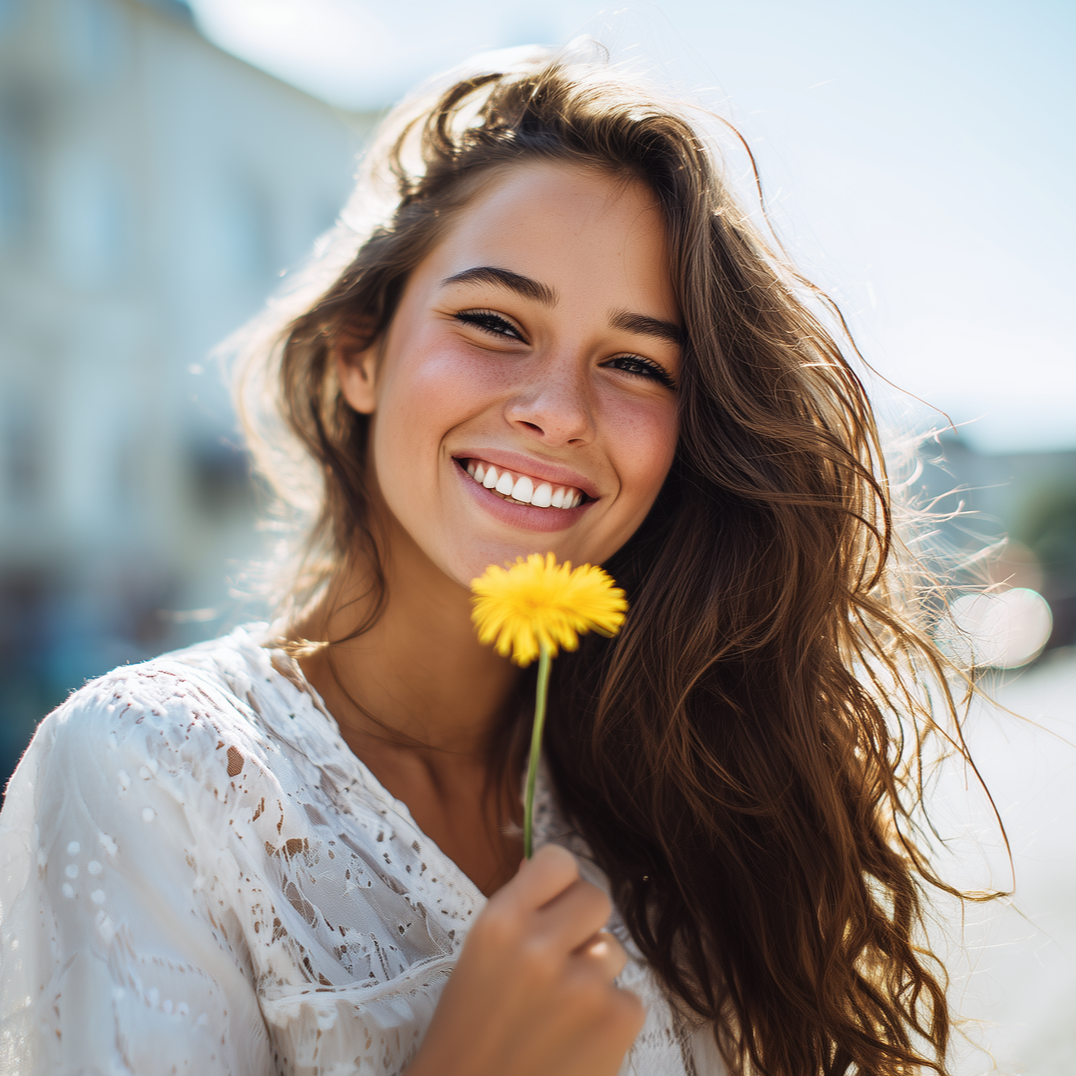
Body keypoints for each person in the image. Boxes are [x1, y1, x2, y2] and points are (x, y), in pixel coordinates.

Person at [0, 45, 972, 1076]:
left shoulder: (689, 775)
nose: (557, 410)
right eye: (494, 322)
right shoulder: (144, 768)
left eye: (636, 363)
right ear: (357, 352)